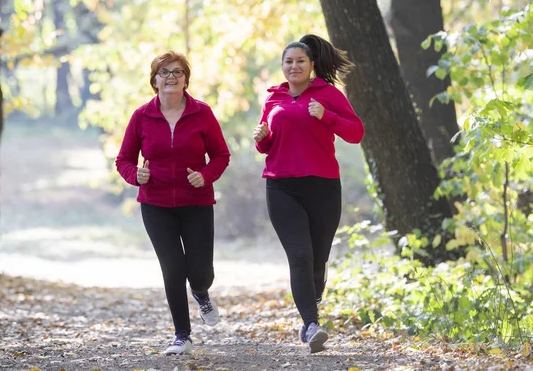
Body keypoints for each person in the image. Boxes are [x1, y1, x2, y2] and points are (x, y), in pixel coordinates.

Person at [253, 34, 365, 353]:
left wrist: (325, 116)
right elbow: (268, 145)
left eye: (300, 61)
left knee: (317, 260)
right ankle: (311, 324)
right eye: (288, 61)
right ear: (282, 66)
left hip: (323, 186)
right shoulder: (273, 98)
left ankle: (310, 305)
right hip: (281, 186)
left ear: (312, 65)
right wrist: (262, 139)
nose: (294, 66)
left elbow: (356, 133)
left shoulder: (327, 94)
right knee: (300, 256)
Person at [116, 51, 231, 356]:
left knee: (201, 271)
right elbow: (123, 159)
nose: (170, 77)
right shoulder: (142, 116)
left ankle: (202, 292)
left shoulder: (202, 113)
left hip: (197, 202)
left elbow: (221, 155)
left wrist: (205, 176)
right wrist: (135, 175)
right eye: (164, 72)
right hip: (156, 204)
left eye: (177, 72)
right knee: (172, 268)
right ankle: (183, 335)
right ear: (154, 80)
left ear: (185, 79)